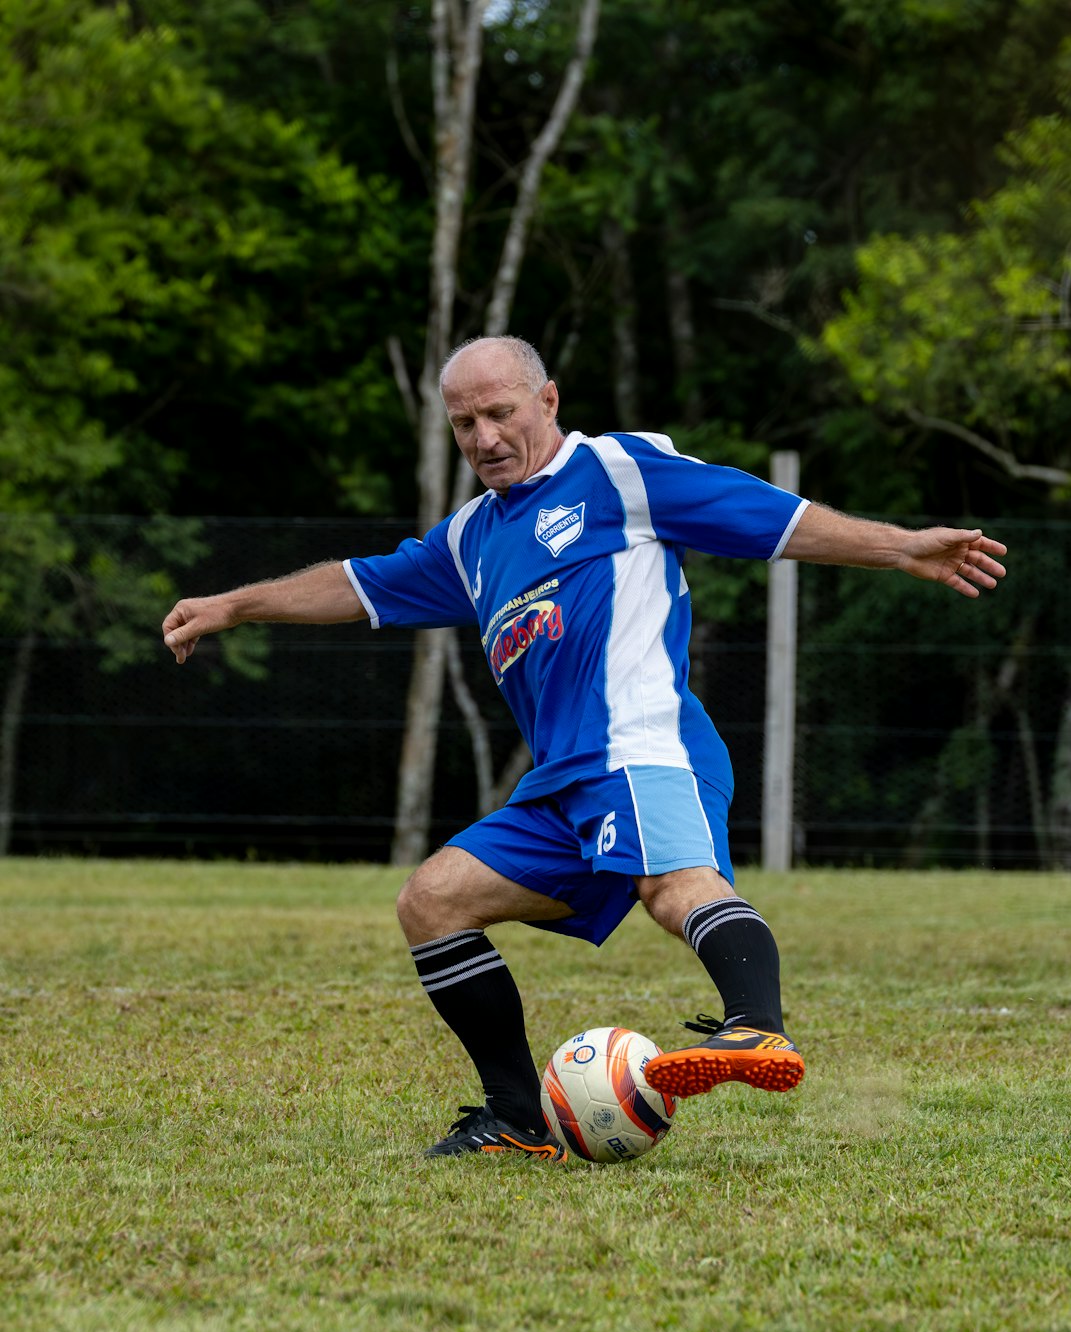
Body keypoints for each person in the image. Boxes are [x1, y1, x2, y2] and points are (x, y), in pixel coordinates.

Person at [162, 335, 1007, 1162]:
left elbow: (767, 518)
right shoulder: (472, 539)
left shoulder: (615, 473)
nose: (485, 439)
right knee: (434, 902)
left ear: (549, 400)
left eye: (500, 413)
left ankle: (759, 1028)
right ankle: (518, 1119)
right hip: (560, 785)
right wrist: (235, 605)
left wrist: (900, 547)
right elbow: (359, 584)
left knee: (674, 887)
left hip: (640, 745)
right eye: (465, 425)